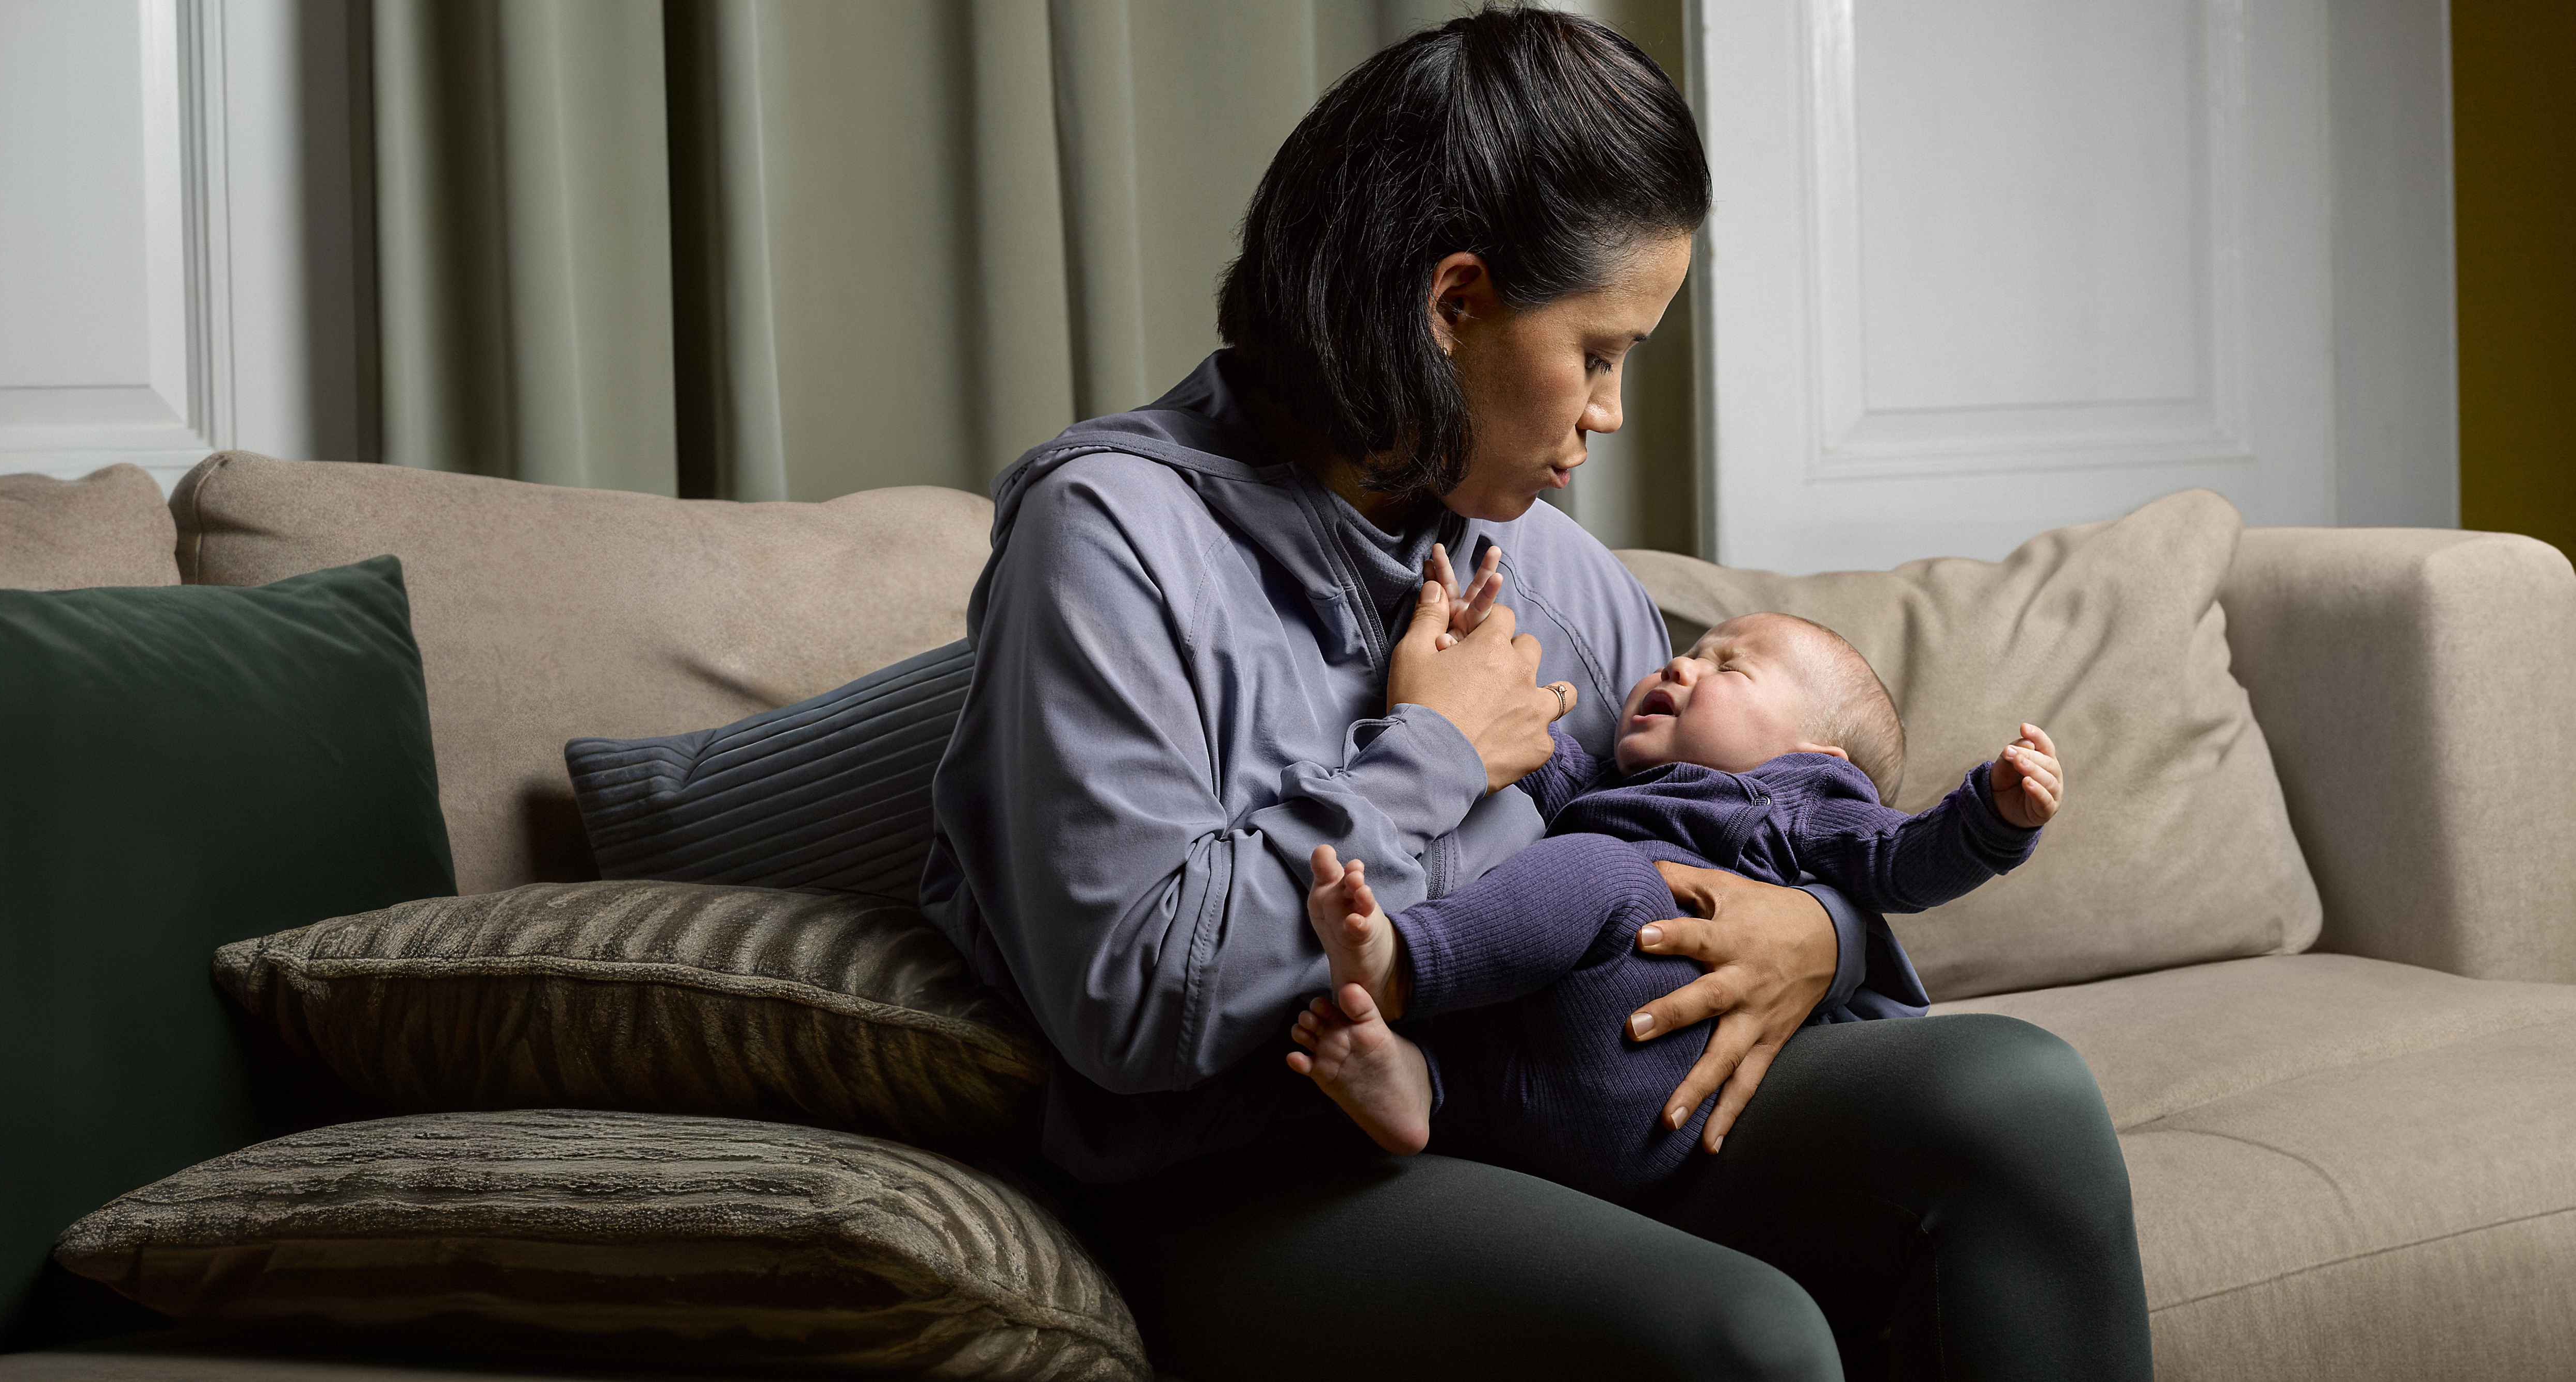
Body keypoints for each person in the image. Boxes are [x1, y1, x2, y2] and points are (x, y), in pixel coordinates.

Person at [920, 9, 2151, 1378]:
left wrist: (1822, 930)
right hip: (1258, 1164)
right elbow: (1133, 997)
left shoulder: (1548, 568)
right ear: (1455, 306)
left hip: (1558, 1101)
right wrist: (1433, 749)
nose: (1611, 413)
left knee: (2013, 1091)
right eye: (1603, 351)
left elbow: (1737, 814)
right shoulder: (1112, 538)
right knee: (1740, 1340)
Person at [1286, 610, 2065, 1207]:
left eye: (1728, 665)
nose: (1683, 664)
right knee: (1496, 992)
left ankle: (1407, 964)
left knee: (1600, 870)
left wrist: (1992, 818)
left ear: (1815, 754)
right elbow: (1521, 753)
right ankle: (1418, 1090)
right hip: (1546, 1087)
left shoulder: (1805, 798)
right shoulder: (1602, 784)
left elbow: (1907, 861)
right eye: (1689, 652)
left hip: (1655, 1075)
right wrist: (1465, 674)